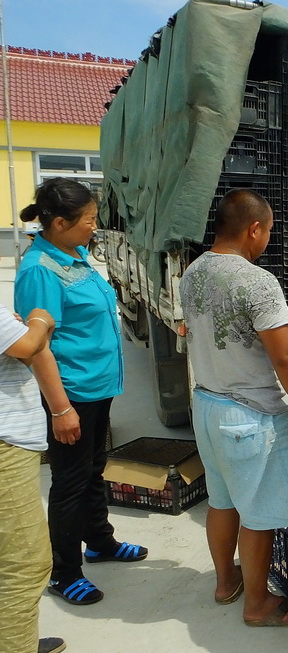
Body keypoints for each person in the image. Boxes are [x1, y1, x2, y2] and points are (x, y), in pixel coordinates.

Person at [179, 189, 288, 627]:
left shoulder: (193, 272)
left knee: (222, 501)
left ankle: (227, 583)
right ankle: (258, 605)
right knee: (258, 514)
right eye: (270, 231)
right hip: (249, 414)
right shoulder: (256, 282)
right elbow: (287, 357)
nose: (268, 240)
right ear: (253, 228)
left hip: (206, 404)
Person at [14, 178, 147, 607]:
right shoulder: (39, 269)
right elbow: (38, 348)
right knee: (69, 482)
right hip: (70, 393)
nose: (94, 227)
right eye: (88, 220)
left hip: (96, 388)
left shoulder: (75, 254)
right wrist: (59, 410)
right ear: (58, 222)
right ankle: (64, 571)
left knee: (92, 470)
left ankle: (100, 543)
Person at [0, 302, 67, 653]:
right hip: (6, 446)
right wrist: (39, 321)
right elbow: (25, 346)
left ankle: (15, 639)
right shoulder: (40, 269)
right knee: (26, 565)